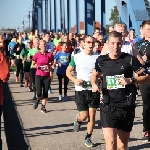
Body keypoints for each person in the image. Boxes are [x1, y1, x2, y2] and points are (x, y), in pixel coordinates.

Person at [91, 31, 150, 150]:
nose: (115, 46)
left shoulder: (130, 59)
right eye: (112, 43)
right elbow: (94, 75)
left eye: (118, 43)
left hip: (126, 105)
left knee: (122, 146)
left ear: (122, 43)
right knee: (111, 143)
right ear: (107, 44)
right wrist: (93, 84)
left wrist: (131, 80)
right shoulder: (101, 60)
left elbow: (147, 77)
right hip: (108, 105)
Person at [66, 36, 100, 147]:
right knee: (84, 115)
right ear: (83, 44)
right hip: (81, 90)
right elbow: (68, 72)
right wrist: (74, 80)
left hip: (94, 90)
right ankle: (79, 120)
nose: (91, 44)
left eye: (93, 42)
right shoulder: (76, 57)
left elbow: (102, 73)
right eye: (88, 42)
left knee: (92, 115)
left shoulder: (98, 57)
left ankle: (88, 137)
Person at [135, 20, 150, 142]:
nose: (149, 31)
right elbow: (133, 62)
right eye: (148, 29)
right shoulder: (138, 44)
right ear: (143, 30)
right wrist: (142, 61)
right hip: (145, 78)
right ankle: (147, 129)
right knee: (147, 105)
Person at [32, 40, 54, 113]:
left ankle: (43, 107)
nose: (43, 46)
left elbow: (52, 63)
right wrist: (36, 66)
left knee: (45, 92)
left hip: (46, 76)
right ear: (39, 46)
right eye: (42, 45)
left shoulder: (49, 55)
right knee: (39, 93)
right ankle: (38, 100)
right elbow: (32, 64)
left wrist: (50, 66)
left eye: (44, 45)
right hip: (38, 75)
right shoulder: (37, 55)